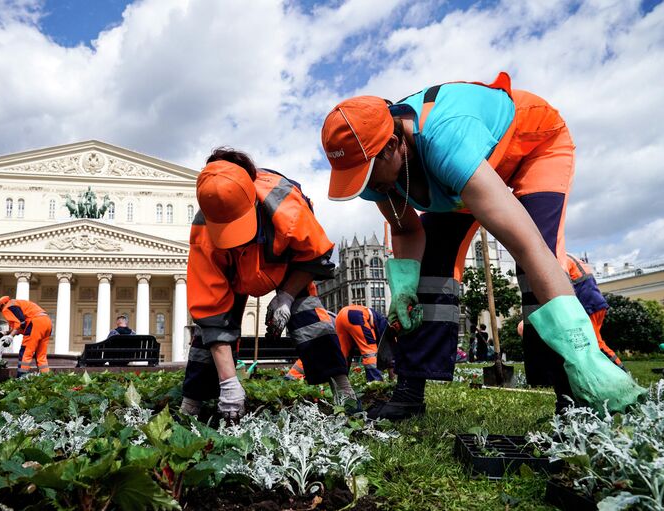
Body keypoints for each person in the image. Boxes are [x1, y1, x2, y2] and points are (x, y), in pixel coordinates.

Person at [321, 71, 644, 417]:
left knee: (536, 263)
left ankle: (575, 387)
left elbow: (527, 246)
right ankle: (409, 392)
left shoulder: (447, 143)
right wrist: (403, 290)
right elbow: (405, 231)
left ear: (393, 146)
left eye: (368, 173)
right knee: (430, 266)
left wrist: (582, 350)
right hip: (464, 171)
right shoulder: (379, 168)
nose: (367, 186)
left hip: (533, 145)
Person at [180, 148, 354, 423]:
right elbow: (211, 311)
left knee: (309, 316)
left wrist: (286, 296)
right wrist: (229, 384)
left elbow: (316, 256)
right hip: (234, 273)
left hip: (286, 266)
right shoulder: (203, 232)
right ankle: (192, 403)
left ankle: (344, 390)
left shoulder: (286, 204)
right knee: (208, 333)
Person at [286, 305, 388, 382]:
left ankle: (292, 377)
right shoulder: (387, 328)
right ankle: (375, 382)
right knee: (370, 353)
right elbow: (384, 353)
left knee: (341, 355)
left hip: (341, 316)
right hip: (353, 316)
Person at [0, 296, 52, 377]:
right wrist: (4, 333)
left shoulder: (7, 307)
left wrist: (10, 337)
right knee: (41, 355)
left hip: (35, 323)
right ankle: (46, 376)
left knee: (26, 351)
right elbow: (21, 326)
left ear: (3, 305)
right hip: (47, 322)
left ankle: (22, 376)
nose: (2, 312)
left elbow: (20, 324)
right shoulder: (18, 303)